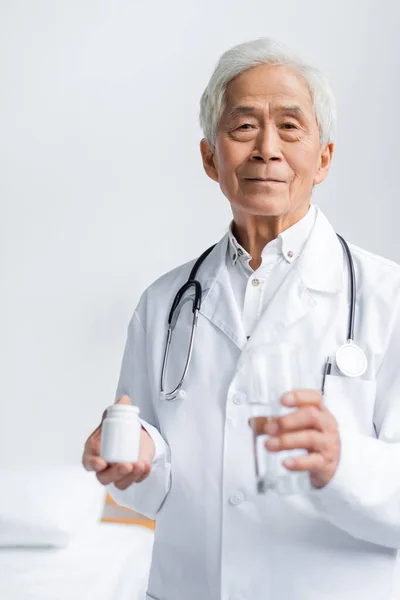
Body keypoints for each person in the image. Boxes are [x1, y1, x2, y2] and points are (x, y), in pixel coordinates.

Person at [82, 38, 400, 600]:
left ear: (323, 158)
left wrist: (341, 461)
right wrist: (139, 465)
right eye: (244, 126)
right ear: (211, 158)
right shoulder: (163, 302)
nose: (267, 149)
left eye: (291, 127)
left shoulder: (386, 296)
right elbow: (151, 489)